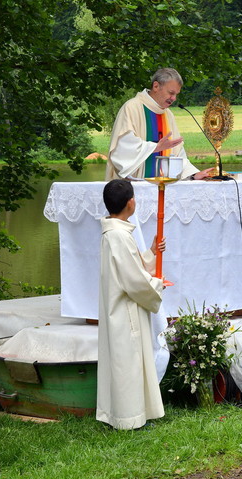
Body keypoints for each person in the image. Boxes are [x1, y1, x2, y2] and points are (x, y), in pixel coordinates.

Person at [97, 179, 165, 430]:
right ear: (130, 203)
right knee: (129, 363)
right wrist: (157, 284)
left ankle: (130, 414)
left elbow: (131, 267)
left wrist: (152, 253)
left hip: (121, 307)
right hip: (124, 310)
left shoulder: (117, 233)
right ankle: (129, 418)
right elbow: (134, 281)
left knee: (127, 361)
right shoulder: (118, 236)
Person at [105, 68, 213, 181]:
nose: (174, 98)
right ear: (156, 86)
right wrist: (155, 147)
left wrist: (192, 174)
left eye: (176, 94)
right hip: (135, 189)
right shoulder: (132, 108)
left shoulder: (168, 115)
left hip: (165, 188)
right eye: (171, 93)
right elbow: (122, 150)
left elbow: (177, 153)